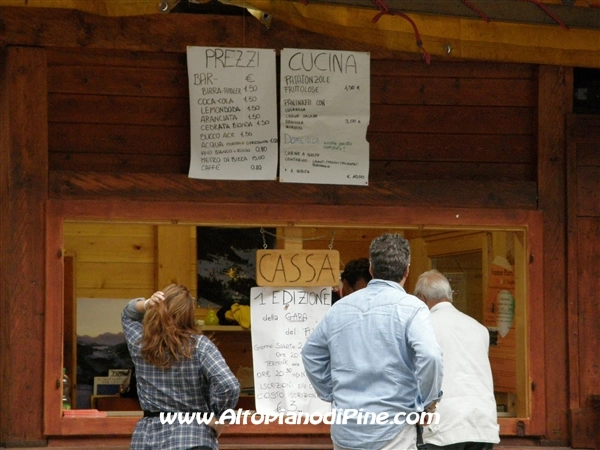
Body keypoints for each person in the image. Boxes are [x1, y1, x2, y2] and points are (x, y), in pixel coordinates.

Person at [302, 233, 444, 450]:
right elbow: (430, 355)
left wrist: (331, 392)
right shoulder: (412, 308)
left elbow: (310, 353)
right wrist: (428, 402)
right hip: (394, 430)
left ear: (371, 268)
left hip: (346, 430)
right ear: (407, 270)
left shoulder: (340, 307)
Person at [122, 284, 240, 450]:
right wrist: (219, 417)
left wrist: (147, 303)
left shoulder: (140, 342)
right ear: (189, 315)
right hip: (193, 436)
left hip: (148, 438)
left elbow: (128, 314)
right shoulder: (200, 346)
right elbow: (229, 385)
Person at [414, 270, 500, 450]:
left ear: (421, 298)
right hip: (482, 424)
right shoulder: (479, 328)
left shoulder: (423, 326)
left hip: (443, 427)